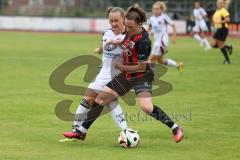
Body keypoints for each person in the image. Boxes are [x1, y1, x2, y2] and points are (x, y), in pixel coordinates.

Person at [64, 5, 184, 143]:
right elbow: (123, 39)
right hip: (126, 74)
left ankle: (175, 128)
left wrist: (121, 66)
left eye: (131, 27)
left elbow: (141, 66)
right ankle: (81, 132)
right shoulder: (128, 30)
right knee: (100, 99)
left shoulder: (144, 40)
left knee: (146, 107)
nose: (128, 29)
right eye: (126, 26)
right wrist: (113, 42)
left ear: (139, 24)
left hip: (141, 75)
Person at [63, 7, 129, 140]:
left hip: (117, 75)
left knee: (110, 102)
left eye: (116, 20)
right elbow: (103, 47)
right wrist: (98, 50)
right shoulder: (106, 33)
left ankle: (126, 132)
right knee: (88, 99)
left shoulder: (128, 37)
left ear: (124, 20)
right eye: (111, 21)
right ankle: (77, 130)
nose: (113, 23)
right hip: (102, 74)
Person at [147, 1, 184, 73]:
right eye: (154, 9)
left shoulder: (164, 17)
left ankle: (149, 77)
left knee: (150, 59)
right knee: (161, 61)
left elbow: (173, 25)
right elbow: (149, 28)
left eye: (157, 9)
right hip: (157, 41)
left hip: (162, 41)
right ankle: (178, 65)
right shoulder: (151, 19)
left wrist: (174, 36)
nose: (155, 10)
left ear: (161, 10)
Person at [211, 0, 233, 64]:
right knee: (213, 45)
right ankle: (228, 47)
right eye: (217, 3)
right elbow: (215, 22)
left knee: (220, 45)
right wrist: (213, 29)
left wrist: (220, 22)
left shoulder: (223, 10)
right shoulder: (217, 11)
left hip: (223, 29)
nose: (218, 4)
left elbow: (228, 19)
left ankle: (228, 60)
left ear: (223, 4)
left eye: (220, 3)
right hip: (217, 29)